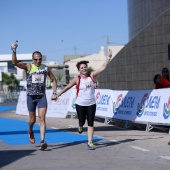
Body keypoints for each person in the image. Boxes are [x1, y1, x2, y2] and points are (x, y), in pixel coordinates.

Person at [56, 49, 112, 150]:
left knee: (90, 123)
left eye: (85, 67)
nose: (84, 69)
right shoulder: (77, 79)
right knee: (82, 121)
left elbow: (102, 68)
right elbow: (67, 87)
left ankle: (90, 142)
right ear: (79, 70)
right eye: (82, 68)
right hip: (80, 104)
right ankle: (80, 125)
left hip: (91, 103)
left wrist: (108, 57)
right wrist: (58, 94)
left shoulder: (91, 76)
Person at [11, 42, 58, 150]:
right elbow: (14, 62)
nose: (38, 61)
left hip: (41, 96)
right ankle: (30, 130)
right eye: (36, 59)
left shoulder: (45, 68)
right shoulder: (28, 66)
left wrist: (54, 93)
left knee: (42, 118)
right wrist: (13, 50)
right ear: (33, 59)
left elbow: (54, 80)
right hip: (31, 97)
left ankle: (42, 141)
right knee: (32, 120)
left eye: (40, 59)